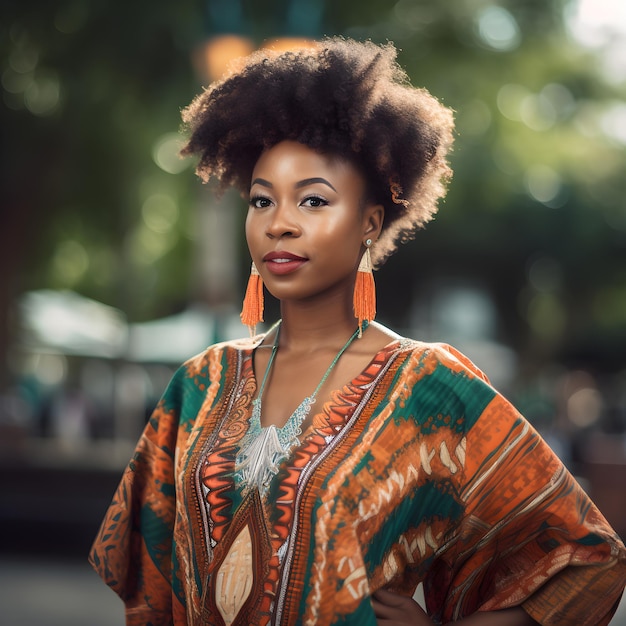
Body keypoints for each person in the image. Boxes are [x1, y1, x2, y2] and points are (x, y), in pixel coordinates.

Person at [89, 38, 626, 625]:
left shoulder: (429, 386)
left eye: (313, 201)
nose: (280, 225)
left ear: (370, 223)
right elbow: (151, 583)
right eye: (262, 201)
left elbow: (586, 561)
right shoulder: (199, 382)